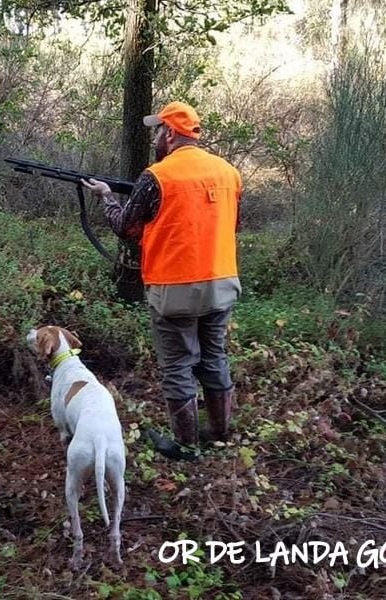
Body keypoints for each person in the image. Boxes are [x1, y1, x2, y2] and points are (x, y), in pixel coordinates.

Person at [81, 101, 242, 460]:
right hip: (222, 284)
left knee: (178, 365)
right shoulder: (229, 172)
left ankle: (186, 446)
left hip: (175, 290)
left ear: (169, 133)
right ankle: (220, 434)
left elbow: (126, 228)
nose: (155, 137)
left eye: (158, 130)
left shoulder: (158, 176)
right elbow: (230, 224)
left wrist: (106, 198)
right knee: (214, 356)